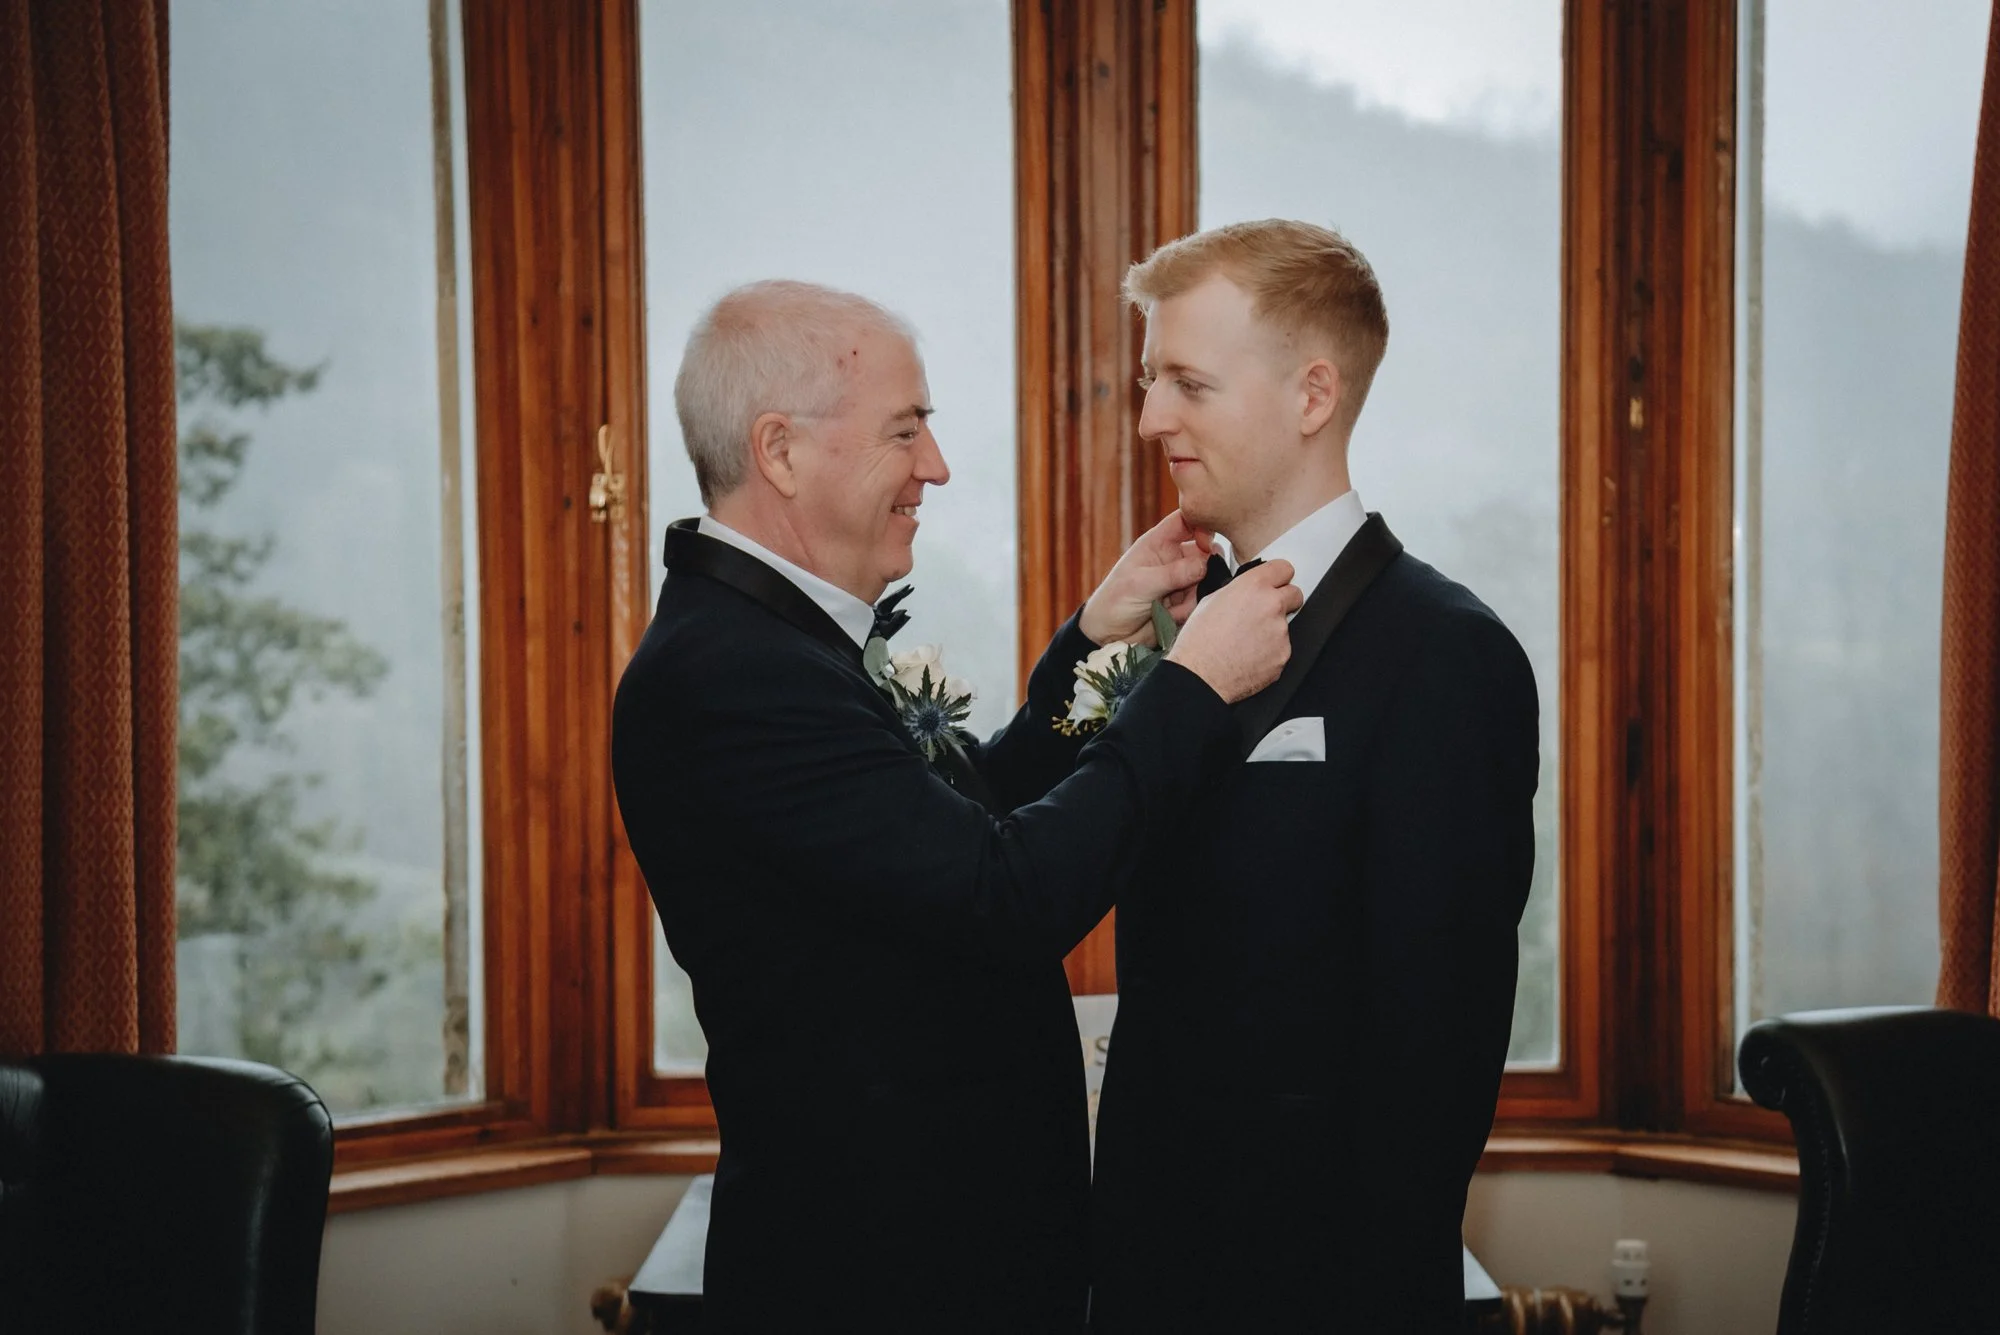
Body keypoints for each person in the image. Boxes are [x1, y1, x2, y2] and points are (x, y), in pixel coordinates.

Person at [611, 279, 1300, 1333]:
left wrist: (1096, 637)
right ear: (780, 452)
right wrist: (1192, 687)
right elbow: (1004, 894)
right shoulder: (729, 674)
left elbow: (966, 827)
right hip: (879, 1279)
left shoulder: (777, 642)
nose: (934, 465)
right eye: (905, 430)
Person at [1088, 221, 1541, 1333]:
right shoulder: (1181, 632)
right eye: (1150, 381)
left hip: (1320, 1289)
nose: (1151, 419)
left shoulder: (1446, 654)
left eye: (1189, 382)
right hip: (1146, 1263)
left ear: (1312, 395)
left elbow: (1436, 1054)